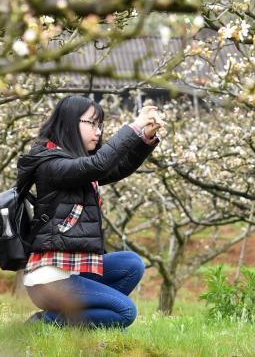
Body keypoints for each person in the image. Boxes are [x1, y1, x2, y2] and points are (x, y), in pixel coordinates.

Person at [16, 94, 163, 328]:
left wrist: (144, 138)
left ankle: (91, 323)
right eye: (92, 123)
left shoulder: (73, 163)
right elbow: (98, 165)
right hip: (50, 279)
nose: (98, 131)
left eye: (100, 125)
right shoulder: (49, 163)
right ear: (70, 122)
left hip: (72, 270)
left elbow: (117, 168)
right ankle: (45, 323)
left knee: (131, 264)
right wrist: (134, 127)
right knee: (125, 313)